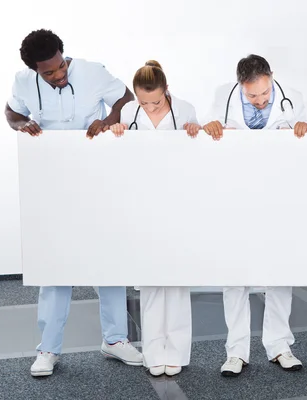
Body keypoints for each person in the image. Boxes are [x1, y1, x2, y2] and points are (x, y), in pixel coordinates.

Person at [5, 29, 142, 377]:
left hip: (98, 177)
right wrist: (23, 124)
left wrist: (108, 120)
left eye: (59, 66)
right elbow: (10, 113)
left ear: (64, 54)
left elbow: (127, 98)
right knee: (55, 264)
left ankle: (115, 340)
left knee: (108, 259)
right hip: (52, 182)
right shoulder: (23, 82)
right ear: (35, 70)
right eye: (48, 72)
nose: (57, 74)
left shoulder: (93, 71)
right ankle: (48, 349)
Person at [202, 54, 307, 377]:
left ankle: (279, 346)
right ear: (239, 87)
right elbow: (211, 139)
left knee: (279, 273)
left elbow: (303, 148)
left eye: (265, 94)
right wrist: (211, 128)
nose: (261, 101)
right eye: (252, 96)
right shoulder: (222, 97)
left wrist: (303, 128)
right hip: (236, 198)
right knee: (235, 277)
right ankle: (236, 351)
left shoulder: (294, 98)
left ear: (272, 77)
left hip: (278, 197)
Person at [105, 60, 201, 377]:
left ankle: (176, 351)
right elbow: (118, 160)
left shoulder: (185, 109)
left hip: (178, 201)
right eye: (144, 101)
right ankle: (154, 350)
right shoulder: (130, 112)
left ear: (167, 90)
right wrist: (116, 132)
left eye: (155, 101)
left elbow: (197, 155)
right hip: (142, 203)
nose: (149, 106)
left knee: (175, 281)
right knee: (150, 283)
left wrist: (194, 134)